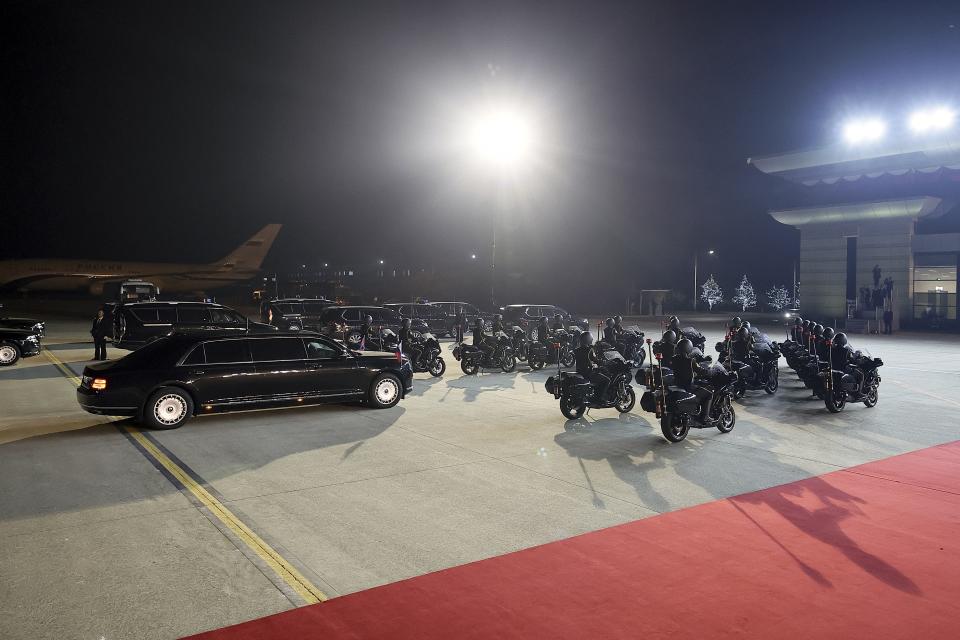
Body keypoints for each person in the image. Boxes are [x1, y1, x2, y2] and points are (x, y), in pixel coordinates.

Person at [672, 338, 714, 422]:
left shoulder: (673, 359)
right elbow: (701, 371)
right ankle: (705, 416)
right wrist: (710, 372)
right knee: (709, 393)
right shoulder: (690, 361)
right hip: (689, 386)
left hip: (677, 385)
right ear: (689, 348)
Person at [573, 331, 609, 400]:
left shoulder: (576, 350)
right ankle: (599, 398)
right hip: (588, 372)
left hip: (579, 372)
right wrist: (603, 362)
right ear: (588, 339)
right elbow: (595, 360)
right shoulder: (589, 350)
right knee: (607, 380)